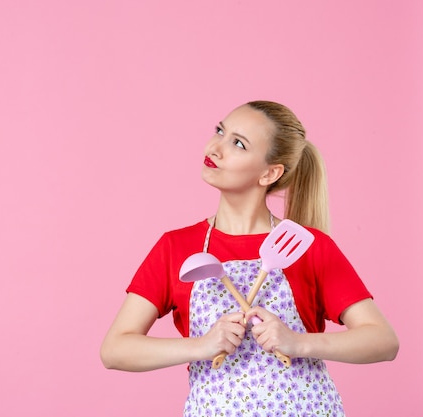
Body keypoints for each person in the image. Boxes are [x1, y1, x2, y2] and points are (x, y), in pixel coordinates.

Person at [100, 100, 399, 416]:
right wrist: (201, 346)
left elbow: (383, 340)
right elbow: (115, 350)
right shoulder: (176, 247)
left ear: (270, 172)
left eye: (238, 143)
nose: (215, 148)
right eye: (220, 131)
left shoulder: (310, 248)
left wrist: (298, 342)